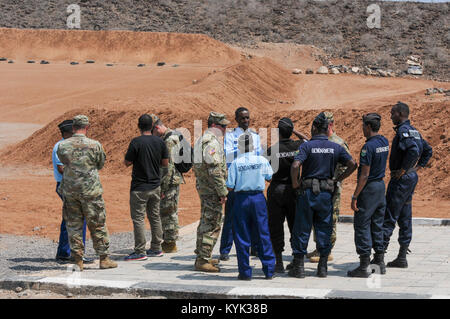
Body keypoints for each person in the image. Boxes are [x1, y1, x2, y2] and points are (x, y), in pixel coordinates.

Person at [289, 112, 357, 278]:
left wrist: (295, 183)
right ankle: (322, 267)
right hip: (326, 195)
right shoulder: (336, 147)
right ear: (327, 128)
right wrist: (337, 180)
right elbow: (353, 164)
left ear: (314, 127)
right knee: (324, 229)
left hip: (307, 193)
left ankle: (298, 268)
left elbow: (296, 164)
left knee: (302, 229)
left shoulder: (307, 146)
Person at [57, 115, 117, 271]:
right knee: (97, 224)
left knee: (74, 225)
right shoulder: (95, 145)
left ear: (73, 127)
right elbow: (100, 164)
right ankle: (104, 259)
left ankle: (78, 261)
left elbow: (64, 161)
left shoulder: (62, 146)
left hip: (71, 191)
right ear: (87, 127)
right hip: (91, 191)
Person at [382, 102, 432, 268]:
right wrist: (416, 167)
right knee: (405, 215)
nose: (391, 116)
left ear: (401, 114)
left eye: (393, 113)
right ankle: (402, 256)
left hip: (401, 180)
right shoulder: (414, 131)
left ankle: (379, 257)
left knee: (389, 215)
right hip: (410, 178)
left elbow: (413, 151)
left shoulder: (404, 131)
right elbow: (427, 150)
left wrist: (404, 169)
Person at [226, 133, 275, 280]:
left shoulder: (235, 163)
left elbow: (229, 186)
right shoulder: (261, 160)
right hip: (258, 199)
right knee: (263, 233)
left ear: (239, 147)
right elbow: (269, 177)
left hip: (241, 200)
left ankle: (245, 272)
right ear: (253, 146)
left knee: (241, 236)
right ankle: (269, 270)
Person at [348, 113, 389, 277]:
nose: (362, 129)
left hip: (369, 189)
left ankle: (364, 265)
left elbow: (364, 175)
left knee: (362, 224)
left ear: (369, 127)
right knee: (377, 224)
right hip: (380, 187)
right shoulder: (384, 141)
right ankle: (379, 260)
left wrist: (355, 196)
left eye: (363, 126)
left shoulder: (368, 147)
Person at [307, 112, 351, 263]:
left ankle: (327, 250)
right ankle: (319, 247)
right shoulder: (320, 140)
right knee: (317, 218)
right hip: (319, 187)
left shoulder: (338, 143)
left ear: (330, 125)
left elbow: (347, 167)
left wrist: (336, 180)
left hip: (332, 188)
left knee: (330, 219)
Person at [124, 114, 169, 261]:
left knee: (138, 219)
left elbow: (127, 162)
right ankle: (156, 248)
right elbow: (165, 163)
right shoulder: (160, 142)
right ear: (152, 126)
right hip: (155, 185)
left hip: (139, 187)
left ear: (139, 126)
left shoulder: (136, 142)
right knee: (155, 217)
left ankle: (140, 251)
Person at [265, 118, 308, 273]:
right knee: (295, 226)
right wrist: (294, 130)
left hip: (276, 189)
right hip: (294, 189)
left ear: (278, 132)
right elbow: (307, 139)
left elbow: (267, 175)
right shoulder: (299, 146)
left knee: (275, 226)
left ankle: (279, 262)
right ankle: (296, 260)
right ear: (291, 131)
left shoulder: (271, 150)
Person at [219, 107, 261, 261]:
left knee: (253, 216)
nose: (246, 121)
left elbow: (259, 155)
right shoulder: (230, 136)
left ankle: (255, 247)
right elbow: (228, 155)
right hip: (235, 181)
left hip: (252, 180)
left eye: (247, 117)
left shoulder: (255, 136)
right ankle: (225, 249)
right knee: (230, 216)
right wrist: (246, 150)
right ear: (236, 119)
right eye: (242, 118)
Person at [193, 112, 230, 272]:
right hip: (212, 190)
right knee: (212, 224)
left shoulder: (203, 139)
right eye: (223, 126)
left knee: (205, 221)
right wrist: (222, 191)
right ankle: (202, 259)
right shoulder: (211, 142)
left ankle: (203, 255)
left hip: (205, 188)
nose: (225, 129)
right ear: (214, 126)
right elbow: (214, 170)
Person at [53, 120, 92, 263]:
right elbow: (61, 168)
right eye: (73, 131)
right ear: (67, 133)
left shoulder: (66, 145)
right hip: (67, 186)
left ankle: (65, 252)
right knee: (78, 219)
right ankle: (74, 254)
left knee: (70, 218)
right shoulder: (60, 146)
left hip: (70, 185)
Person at [150, 114, 185, 253]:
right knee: (168, 210)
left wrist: (162, 188)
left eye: (152, 131)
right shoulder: (170, 136)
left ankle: (170, 243)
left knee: (168, 211)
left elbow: (168, 167)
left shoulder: (169, 140)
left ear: (157, 127)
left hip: (170, 182)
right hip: (172, 180)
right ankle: (169, 240)